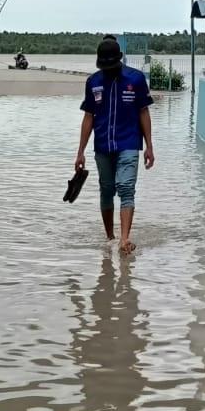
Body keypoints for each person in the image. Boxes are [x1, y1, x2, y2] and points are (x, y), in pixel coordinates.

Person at [75, 36, 154, 253]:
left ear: (120, 59)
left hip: (129, 142)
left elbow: (143, 112)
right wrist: (80, 151)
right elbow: (88, 117)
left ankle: (124, 239)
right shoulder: (93, 82)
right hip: (102, 145)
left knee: (126, 188)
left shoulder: (136, 79)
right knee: (106, 190)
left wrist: (149, 146)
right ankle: (110, 237)